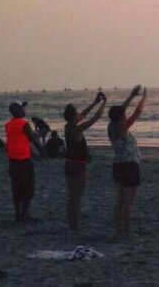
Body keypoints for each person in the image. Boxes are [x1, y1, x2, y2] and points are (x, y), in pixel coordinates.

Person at [107, 85, 147, 238]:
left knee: (119, 200)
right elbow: (137, 113)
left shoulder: (111, 126)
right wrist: (144, 99)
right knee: (128, 201)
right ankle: (128, 232)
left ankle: (117, 230)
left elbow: (120, 110)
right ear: (121, 117)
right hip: (129, 166)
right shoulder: (123, 128)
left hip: (118, 165)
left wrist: (131, 96)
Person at [63, 92, 106, 230]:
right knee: (78, 196)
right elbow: (95, 118)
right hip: (79, 164)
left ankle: (71, 223)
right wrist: (104, 103)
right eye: (76, 114)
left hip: (68, 163)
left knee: (71, 196)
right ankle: (75, 224)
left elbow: (84, 114)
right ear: (73, 116)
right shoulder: (78, 128)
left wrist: (95, 102)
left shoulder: (67, 127)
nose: (78, 115)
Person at [4, 101, 43, 222]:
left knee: (16, 189)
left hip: (13, 162)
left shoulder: (8, 125)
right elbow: (33, 140)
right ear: (19, 111)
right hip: (24, 162)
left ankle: (17, 214)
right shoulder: (24, 124)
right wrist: (42, 151)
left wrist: (33, 154)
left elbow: (17, 142)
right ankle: (24, 214)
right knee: (29, 189)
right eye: (22, 109)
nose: (24, 111)